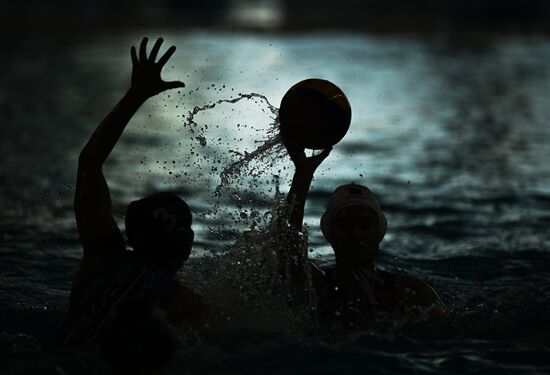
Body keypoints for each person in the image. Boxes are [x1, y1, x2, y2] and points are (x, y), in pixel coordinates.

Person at [61, 37, 208, 348]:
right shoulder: (183, 303)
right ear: (187, 244)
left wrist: (136, 95)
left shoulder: (103, 256)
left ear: (131, 231)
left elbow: (89, 162)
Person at [281, 134, 447, 327]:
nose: (357, 234)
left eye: (365, 224)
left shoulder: (411, 294)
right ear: (329, 233)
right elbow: (285, 252)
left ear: (380, 231)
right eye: (345, 225)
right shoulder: (317, 286)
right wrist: (303, 175)